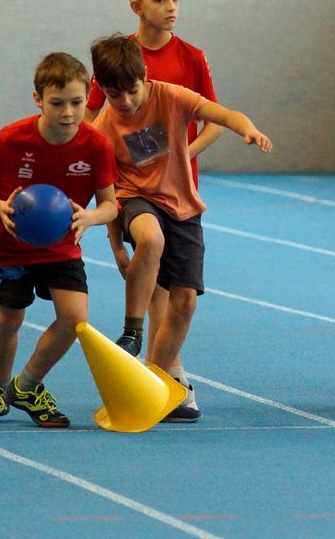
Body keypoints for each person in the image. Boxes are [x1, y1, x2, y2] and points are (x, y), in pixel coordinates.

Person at [90, 34, 272, 422]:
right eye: (112, 94)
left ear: (144, 77)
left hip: (183, 206)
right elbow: (103, 191)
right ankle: (133, 330)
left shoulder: (170, 96)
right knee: (150, 238)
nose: (123, 102)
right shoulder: (104, 126)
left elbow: (221, 114)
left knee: (185, 302)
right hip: (134, 199)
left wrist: (249, 129)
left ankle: (154, 380)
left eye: (130, 91)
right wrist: (117, 248)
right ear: (102, 90)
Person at [85, 0, 221, 420]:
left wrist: (180, 152)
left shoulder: (191, 57)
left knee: (180, 290)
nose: (171, 9)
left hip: (179, 186)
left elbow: (212, 120)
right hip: (134, 189)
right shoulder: (118, 59)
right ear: (137, 7)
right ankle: (167, 375)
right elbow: (92, 126)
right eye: (161, 1)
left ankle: (161, 373)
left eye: (176, 0)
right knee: (157, 275)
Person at [0, 53, 118, 428]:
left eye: (77, 102)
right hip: (10, 244)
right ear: (38, 99)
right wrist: (0, 207)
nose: (68, 112)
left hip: (62, 245)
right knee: (8, 318)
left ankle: (28, 385)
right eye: (57, 103)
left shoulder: (96, 145)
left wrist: (90, 217)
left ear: (88, 99)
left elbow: (111, 205)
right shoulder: (12, 138)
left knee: (75, 319)